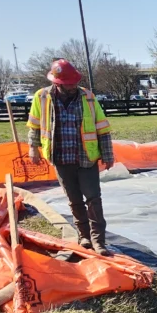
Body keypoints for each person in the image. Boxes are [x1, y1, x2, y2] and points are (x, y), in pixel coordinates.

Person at [27, 59, 115, 256]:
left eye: (74, 82)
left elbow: (102, 128)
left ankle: (98, 241)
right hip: (60, 158)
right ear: (57, 83)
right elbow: (34, 126)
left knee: (93, 199)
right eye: (68, 84)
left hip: (86, 157)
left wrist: (108, 154)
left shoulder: (88, 98)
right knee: (74, 200)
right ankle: (84, 236)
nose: (73, 86)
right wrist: (33, 148)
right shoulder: (41, 97)